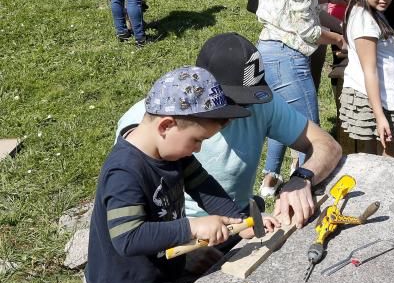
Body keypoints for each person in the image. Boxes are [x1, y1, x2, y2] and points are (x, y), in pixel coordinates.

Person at [22, 67, 273, 283]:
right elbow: (128, 238)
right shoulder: (125, 171)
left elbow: (203, 185)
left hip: (157, 274)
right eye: (196, 140)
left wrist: (238, 219)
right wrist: (192, 226)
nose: (198, 148)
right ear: (166, 125)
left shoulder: (174, 154)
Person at [115, 33, 342, 231]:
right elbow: (132, 220)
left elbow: (328, 146)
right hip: (180, 238)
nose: (240, 112)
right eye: (232, 102)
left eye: (247, 100)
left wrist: (303, 178)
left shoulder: (261, 103)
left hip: (237, 224)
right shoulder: (145, 124)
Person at [256, 0, 344, 196]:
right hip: (288, 56)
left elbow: (298, 9)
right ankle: (300, 197)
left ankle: (272, 178)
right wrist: (340, 39)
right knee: (313, 140)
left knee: (284, 121)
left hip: (271, 48)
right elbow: (309, 31)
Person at [339, 0, 394, 156]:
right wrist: (379, 116)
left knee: (375, 157)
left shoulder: (370, 12)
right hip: (377, 100)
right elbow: (369, 70)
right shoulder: (365, 21)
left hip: (384, 96)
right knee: (390, 156)